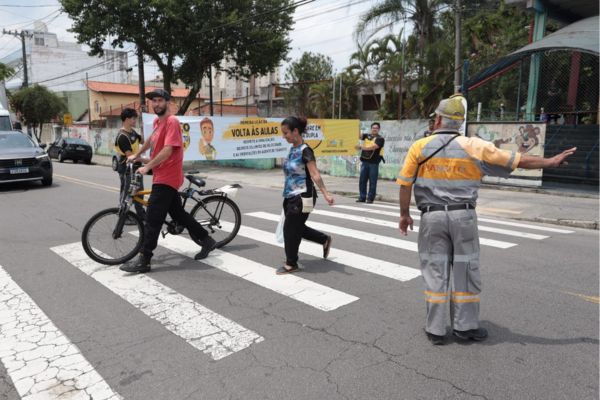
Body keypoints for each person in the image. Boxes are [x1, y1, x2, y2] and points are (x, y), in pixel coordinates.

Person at [397, 96, 576, 345]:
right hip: (464, 217)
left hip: (432, 217)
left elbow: (405, 184)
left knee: (435, 271)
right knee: (465, 270)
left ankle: (436, 330)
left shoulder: (420, 147)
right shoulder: (474, 145)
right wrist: (551, 161)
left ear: (438, 120)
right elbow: (517, 161)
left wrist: (404, 214)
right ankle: (465, 328)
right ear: (459, 123)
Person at [120, 89, 216, 273]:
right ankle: (207, 240)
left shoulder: (172, 122)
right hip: (161, 175)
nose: (155, 104)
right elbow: (150, 140)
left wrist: (147, 167)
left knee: (152, 219)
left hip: (167, 177)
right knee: (179, 215)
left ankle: (144, 259)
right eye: (153, 101)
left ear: (167, 102)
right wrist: (137, 156)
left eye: (159, 100)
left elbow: (168, 150)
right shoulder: (158, 122)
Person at [277, 116, 335, 275]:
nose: (284, 136)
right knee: (296, 227)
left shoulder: (305, 150)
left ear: (295, 131)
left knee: (290, 229)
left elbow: (315, 174)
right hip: (290, 195)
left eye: (286, 133)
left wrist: (326, 194)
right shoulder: (292, 150)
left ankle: (291, 263)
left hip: (303, 196)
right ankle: (324, 239)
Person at [114, 108, 146, 221]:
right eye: (133, 118)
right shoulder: (122, 136)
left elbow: (143, 141)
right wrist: (148, 161)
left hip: (137, 168)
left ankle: (141, 214)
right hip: (127, 169)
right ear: (127, 119)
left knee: (139, 191)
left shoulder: (132, 132)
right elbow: (130, 156)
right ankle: (123, 215)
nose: (135, 121)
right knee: (127, 192)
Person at [355, 122, 385, 203]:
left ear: (379, 129)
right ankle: (362, 197)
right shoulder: (366, 136)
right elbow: (358, 136)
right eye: (373, 128)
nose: (374, 129)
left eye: (376, 128)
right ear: (371, 128)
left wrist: (361, 147)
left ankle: (370, 198)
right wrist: (356, 125)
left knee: (372, 181)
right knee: (362, 181)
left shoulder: (380, 139)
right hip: (364, 162)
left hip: (374, 163)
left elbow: (373, 147)